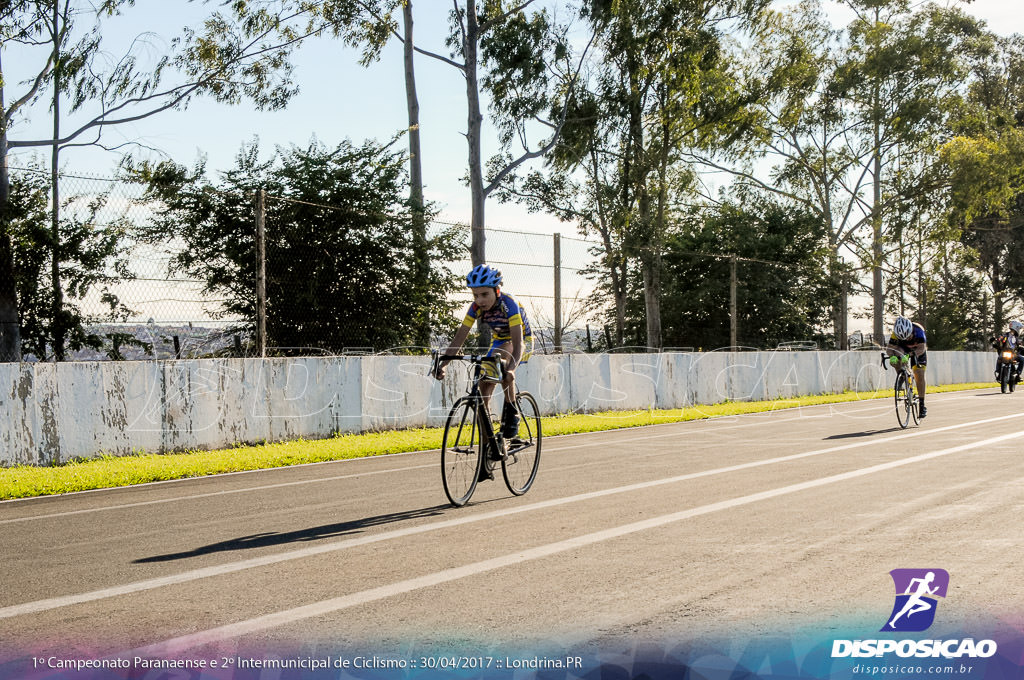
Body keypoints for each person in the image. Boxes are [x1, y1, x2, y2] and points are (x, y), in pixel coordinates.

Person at [434, 264, 534, 473]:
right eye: (476, 295)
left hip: (520, 341)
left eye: (485, 294)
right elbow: (460, 337)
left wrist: (512, 369)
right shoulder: (476, 308)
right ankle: (490, 441)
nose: (480, 300)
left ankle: (511, 412)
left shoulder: (509, 304)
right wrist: (443, 364)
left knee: (503, 366)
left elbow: (518, 343)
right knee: (483, 385)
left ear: (497, 290)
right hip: (499, 341)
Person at [886, 316, 928, 418]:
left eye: (908, 336)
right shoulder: (895, 334)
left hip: (917, 351)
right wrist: (892, 358)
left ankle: (922, 405)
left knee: (919, 373)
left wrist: (910, 355)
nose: (907, 339)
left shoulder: (918, 330)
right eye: (903, 338)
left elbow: (922, 349)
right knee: (897, 357)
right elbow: (889, 349)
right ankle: (902, 375)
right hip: (903, 349)